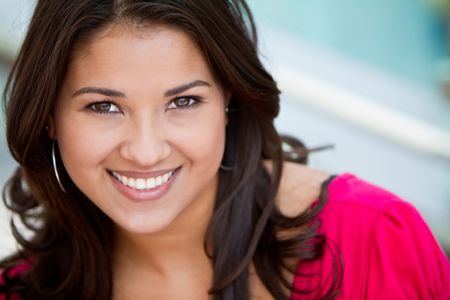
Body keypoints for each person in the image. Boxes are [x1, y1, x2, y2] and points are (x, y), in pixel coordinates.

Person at [0, 0, 449, 299]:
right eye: (104, 106)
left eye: (183, 102)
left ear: (229, 98)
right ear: (48, 117)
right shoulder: (21, 290)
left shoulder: (370, 240)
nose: (145, 151)